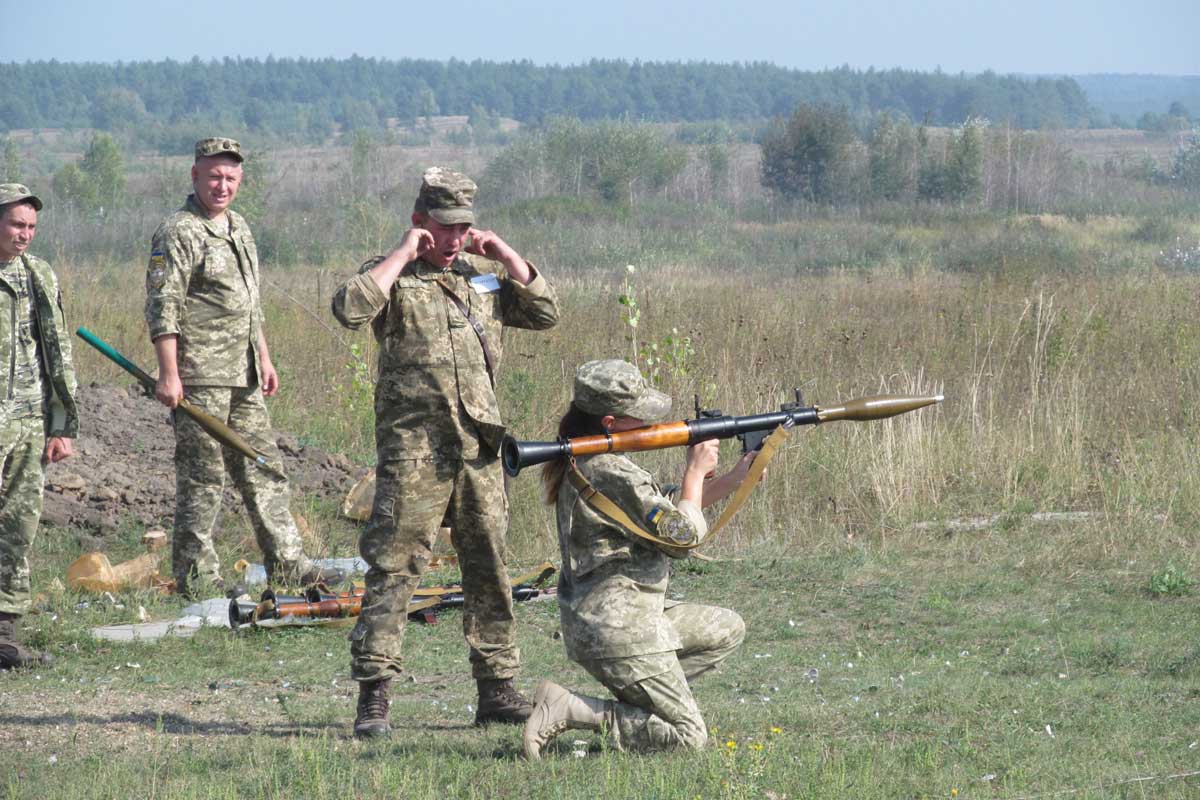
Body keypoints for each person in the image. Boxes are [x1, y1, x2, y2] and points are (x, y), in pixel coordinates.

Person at [331, 167, 559, 737]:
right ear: (420, 221)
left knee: (490, 569)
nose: (454, 239)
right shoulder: (391, 277)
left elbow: (545, 311)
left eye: (464, 228)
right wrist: (403, 251)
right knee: (395, 568)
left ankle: (497, 689)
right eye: (443, 227)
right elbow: (350, 309)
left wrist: (505, 254)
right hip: (415, 452)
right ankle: (375, 695)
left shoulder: (482, 280)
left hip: (479, 450)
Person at [523, 359, 749, 758]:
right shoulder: (609, 470)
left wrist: (732, 480)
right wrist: (694, 475)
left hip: (625, 617)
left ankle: (653, 702)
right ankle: (575, 710)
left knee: (726, 628)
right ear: (610, 422)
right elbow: (681, 538)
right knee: (688, 739)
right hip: (617, 629)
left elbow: (663, 515)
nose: (649, 425)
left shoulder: (589, 462)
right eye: (639, 417)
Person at [145, 137, 339, 598]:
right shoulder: (179, 231)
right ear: (195, 175)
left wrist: (265, 357)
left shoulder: (239, 228)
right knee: (204, 477)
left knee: (263, 467)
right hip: (201, 376)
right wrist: (169, 374)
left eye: (231, 178)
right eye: (214, 175)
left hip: (244, 375)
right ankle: (199, 579)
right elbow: (163, 306)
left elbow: (251, 305)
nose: (222, 185)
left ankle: (289, 564)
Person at [0, 183, 78, 669]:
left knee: (17, 525)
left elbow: (57, 349)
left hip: (27, 419)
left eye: (30, 227)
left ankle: (4, 632)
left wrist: (61, 423)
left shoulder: (37, 276)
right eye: (15, 224)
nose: (24, 234)